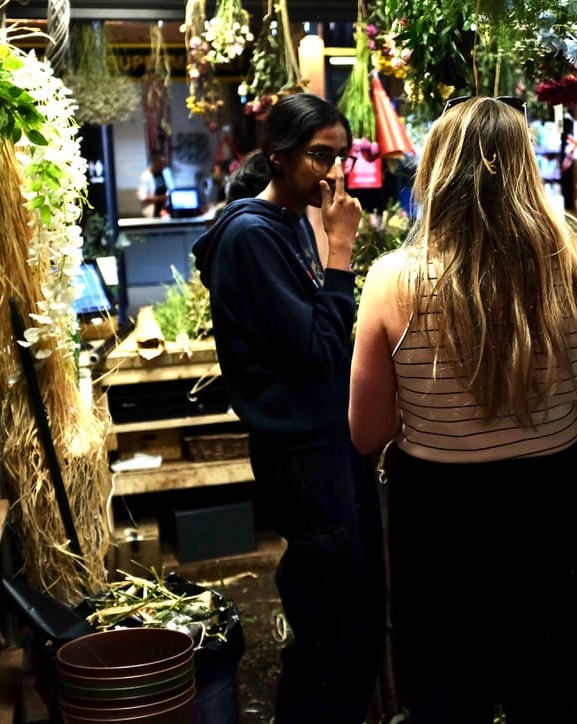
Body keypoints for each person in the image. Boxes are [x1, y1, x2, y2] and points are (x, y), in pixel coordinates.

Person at [349, 96, 577, 723]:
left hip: (438, 516)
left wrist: (432, 404)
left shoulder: (390, 281)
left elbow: (367, 433)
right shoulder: (576, 274)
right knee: (554, 700)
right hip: (552, 509)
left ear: (436, 173)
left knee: (447, 701)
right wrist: (556, 392)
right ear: (526, 170)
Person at [192, 93, 383, 724]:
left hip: (326, 438)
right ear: (277, 156)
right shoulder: (252, 236)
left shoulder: (290, 221)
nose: (334, 173)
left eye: (342, 157)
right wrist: (341, 252)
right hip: (300, 452)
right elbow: (317, 354)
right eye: (320, 156)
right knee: (332, 624)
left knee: (351, 614)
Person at [137, 150, 174, 217]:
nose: (163, 165)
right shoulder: (145, 176)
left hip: (167, 210)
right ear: (154, 162)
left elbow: (171, 189)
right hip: (152, 212)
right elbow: (142, 197)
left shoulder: (166, 172)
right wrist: (160, 198)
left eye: (164, 163)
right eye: (161, 163)